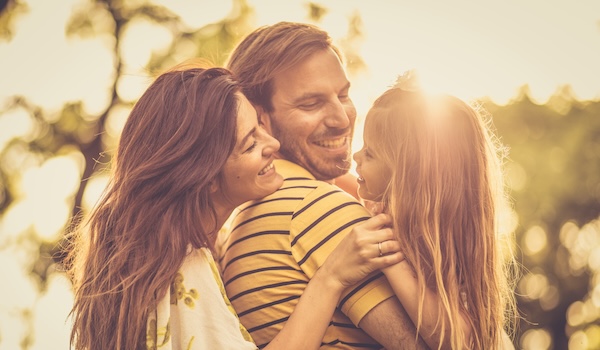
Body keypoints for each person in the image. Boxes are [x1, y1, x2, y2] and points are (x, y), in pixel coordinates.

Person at [66, 62, 406, 350]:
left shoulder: (171, 258)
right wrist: (330, 278)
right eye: (250, 144)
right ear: (207, 176)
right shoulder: (184, 268)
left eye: (259, 125)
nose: (272, 143)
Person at [218, 22, 427, 349]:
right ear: (260, 119)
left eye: (343, 94)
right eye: (311, 104)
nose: (342, 119)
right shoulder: (315, 207)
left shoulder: (247, 217)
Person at [353, 72, 518, 349]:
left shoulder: (439, 250)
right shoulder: (384, 215)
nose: (356, 157)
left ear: (407, 177)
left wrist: (390, 258)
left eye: (369, 153)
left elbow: (454, 340)